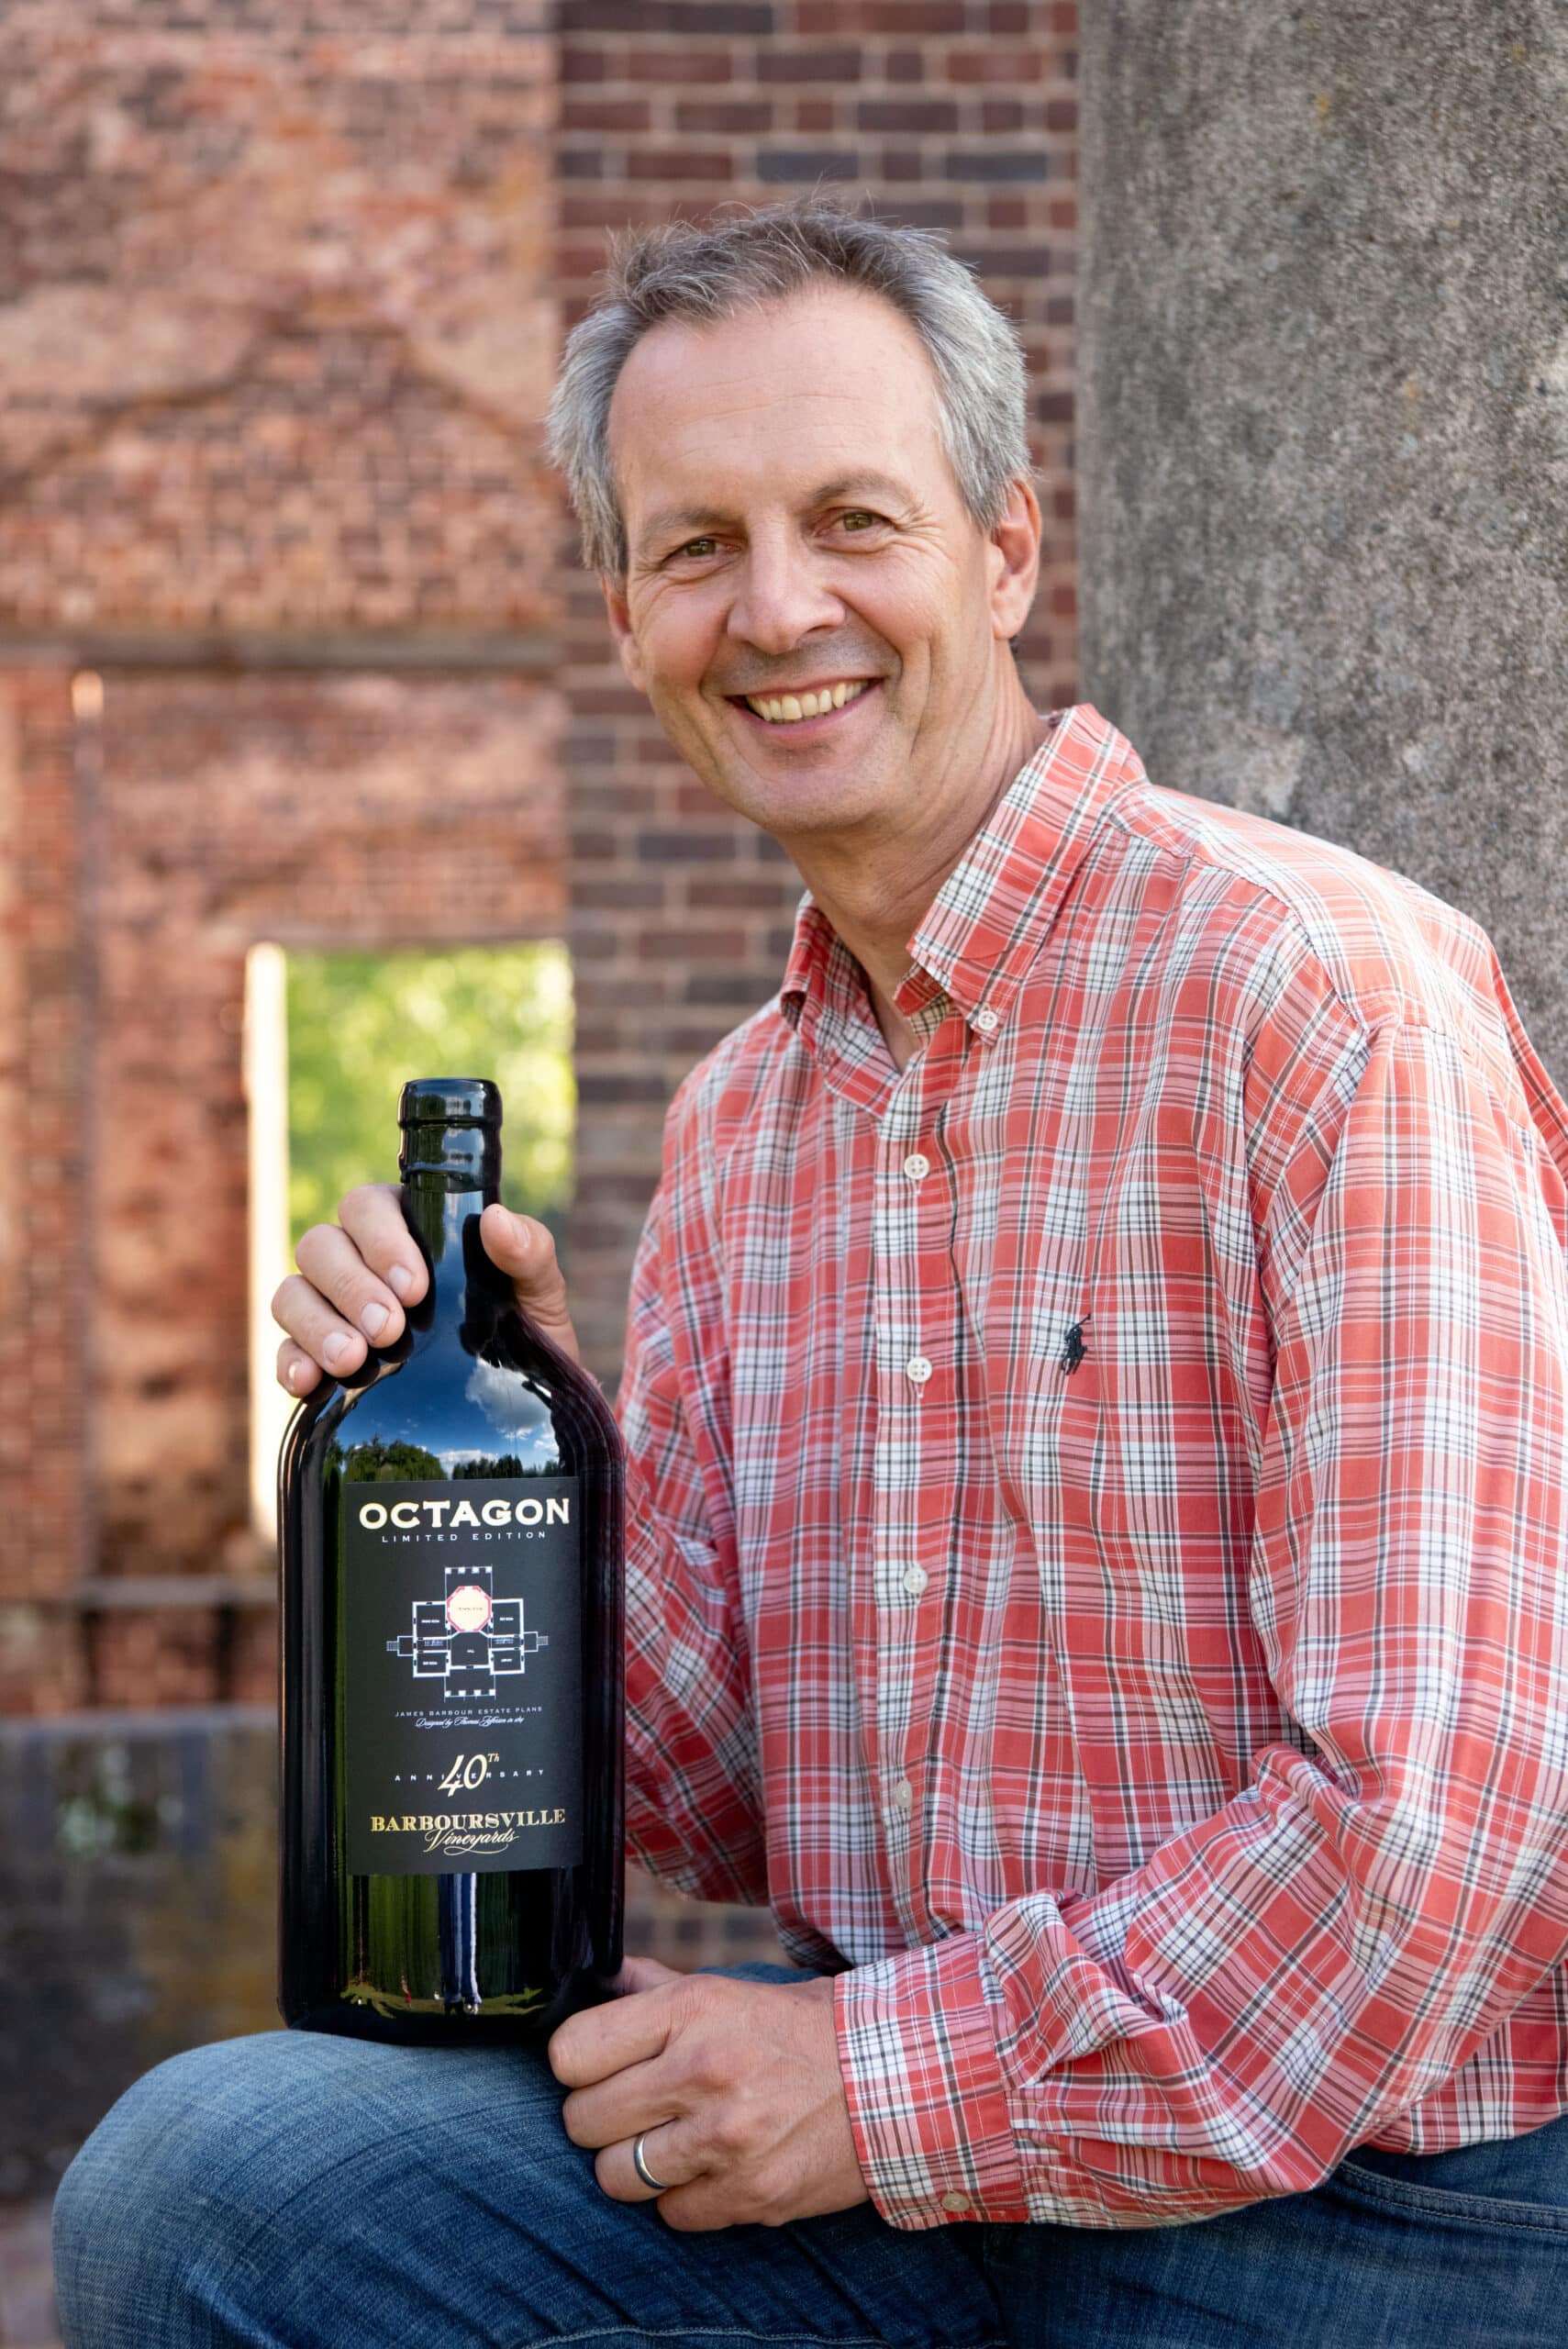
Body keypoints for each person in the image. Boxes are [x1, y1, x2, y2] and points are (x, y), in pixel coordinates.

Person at [53, 201, 1568, 2347]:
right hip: (902, 2194)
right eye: (699, 547)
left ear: (1004, 550)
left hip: (1359, 2204)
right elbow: (694, 1784)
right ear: (627, 618)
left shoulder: (1320, 998)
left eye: (853, 519)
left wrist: (864, 2085)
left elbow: (1436, 1844)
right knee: (203, 2189)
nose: (778, 609)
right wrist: (505, 1435)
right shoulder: (739, 1127)